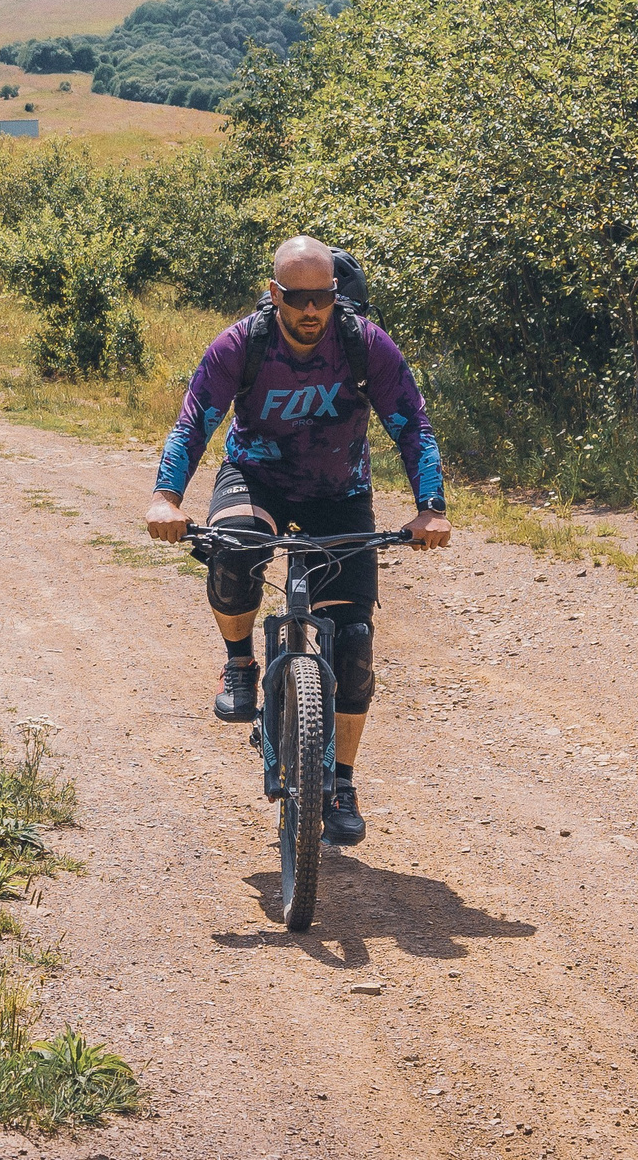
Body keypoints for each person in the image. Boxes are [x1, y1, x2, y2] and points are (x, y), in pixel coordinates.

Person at [145, 236, 451, 846]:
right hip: (257, 478)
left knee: (355, 646)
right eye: (298, 299)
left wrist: (430, 507)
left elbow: (410, 421)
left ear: (337, 296)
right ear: (274, 294)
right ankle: (239, 665)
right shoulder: (241, 345)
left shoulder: (364, 343)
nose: (312, 312)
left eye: (324, 298)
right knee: (235, 550)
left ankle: (339, 782)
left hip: (338, 491)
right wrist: (167, 498)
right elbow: (194, 421)